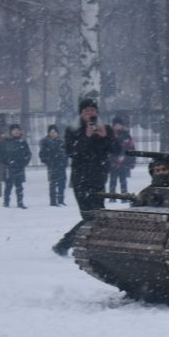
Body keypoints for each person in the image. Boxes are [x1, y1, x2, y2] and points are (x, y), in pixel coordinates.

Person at [53, 99, 117, 255]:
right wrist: (86, 137)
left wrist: (105, 137)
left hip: (99, 177)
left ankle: (75, 245)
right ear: (81, 114)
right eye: (86, 111)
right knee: (91, 216)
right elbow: (72, 152)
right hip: (81, 179)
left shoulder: (105, 128)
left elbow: (117, 149)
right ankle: (64, 245)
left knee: (98, 215)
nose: (90, 114)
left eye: (93, 110)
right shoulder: (73, 130)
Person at [0, 124, 32, 208]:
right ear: (11, 132)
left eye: (18, 130)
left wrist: (24, 163)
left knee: (19, 186)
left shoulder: (23, 142)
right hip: (9, 168)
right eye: (14, 130)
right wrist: (7, 162)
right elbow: (0, 154)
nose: (16, 132)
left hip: (20, 167)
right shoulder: (5, 142)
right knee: (8, 186)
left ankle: (20, 202)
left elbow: (28, 154)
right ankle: (6, 202)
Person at [39, 123, 68, 206]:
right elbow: (42, 155)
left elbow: (66, 153)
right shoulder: (45, 143)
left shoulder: (61, 142)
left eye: (55, 132)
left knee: (62, 183)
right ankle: (53, 201)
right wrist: (49, 162)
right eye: (51, 132)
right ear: (48, 133)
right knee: (53, 184)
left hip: (61, 166)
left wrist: (64, 162)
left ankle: (61, 200)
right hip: (52, 166)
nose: (53, 133)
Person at [108, 119, 137, 193]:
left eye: (119, 125)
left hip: (124, 161)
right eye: (116, 125)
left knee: (123, 179)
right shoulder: (110, 135)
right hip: (113, 161)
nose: (117, 126)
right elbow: (107, 149)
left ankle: (124, 193)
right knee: (113, 179)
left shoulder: (126, 135)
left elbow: (131, 149)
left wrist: (132, 161)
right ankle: (112, 195)